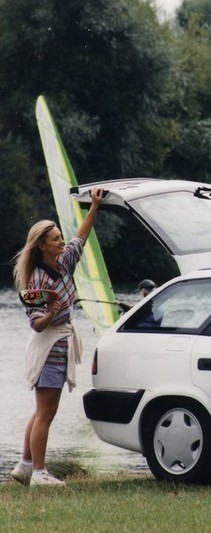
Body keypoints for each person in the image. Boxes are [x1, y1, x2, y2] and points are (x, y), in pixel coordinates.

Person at [8, 188, 105, 486]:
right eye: (55, 239)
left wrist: (94, 206)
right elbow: (37, 324)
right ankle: (39, 473)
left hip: (60, 343)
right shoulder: (37, 280)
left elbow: (82, 237)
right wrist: (52, 311)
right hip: (48, 345)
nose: (61, 241)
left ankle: (25, 466)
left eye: (60, 237)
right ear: (41, 246)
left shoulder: (63, 261)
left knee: (41, 411)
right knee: (47, 413)